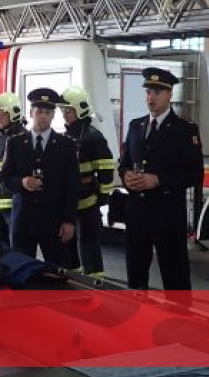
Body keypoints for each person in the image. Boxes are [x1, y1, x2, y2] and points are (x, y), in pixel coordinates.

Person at [117, 68, 203, 292]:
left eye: (156, 92)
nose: (151, 97)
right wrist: (126, 175)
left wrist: (158, 180)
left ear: (169, 94)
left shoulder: (185, 128)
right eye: (148, 92)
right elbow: (124, 163)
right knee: (136, 277)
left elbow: (194, 173)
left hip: (167, 216)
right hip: (137, 214)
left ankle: (180, 315)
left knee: (175, 279)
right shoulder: (136, 126)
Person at [0, 88, 78, 266]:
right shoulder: (15, 143)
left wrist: (69, 221)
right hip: (23, 221)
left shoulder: (66, 145)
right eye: (39, 111)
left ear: (53, 115)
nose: (43, 116)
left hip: (54, 222)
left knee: (57, 273)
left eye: (48, 112)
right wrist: (22, 182)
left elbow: (72, 186)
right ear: (31, 113)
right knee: (21, 271)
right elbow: (4, 179)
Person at [58, 86, 115, 276]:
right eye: (63, 110)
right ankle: (72, 281)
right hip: (68, 203)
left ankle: (95, 282)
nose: (64, 114)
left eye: (68, 110)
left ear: (80, 109)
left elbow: (106, 169)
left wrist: (102, 196)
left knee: (89, 246)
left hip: (89, 203)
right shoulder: (66, 136)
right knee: (67, 245)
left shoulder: (93, 137)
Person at [0, 92, 27, 246]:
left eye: (2, 114)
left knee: (16, 249)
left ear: (13, 113)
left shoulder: (22, 137)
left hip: (13, 206)